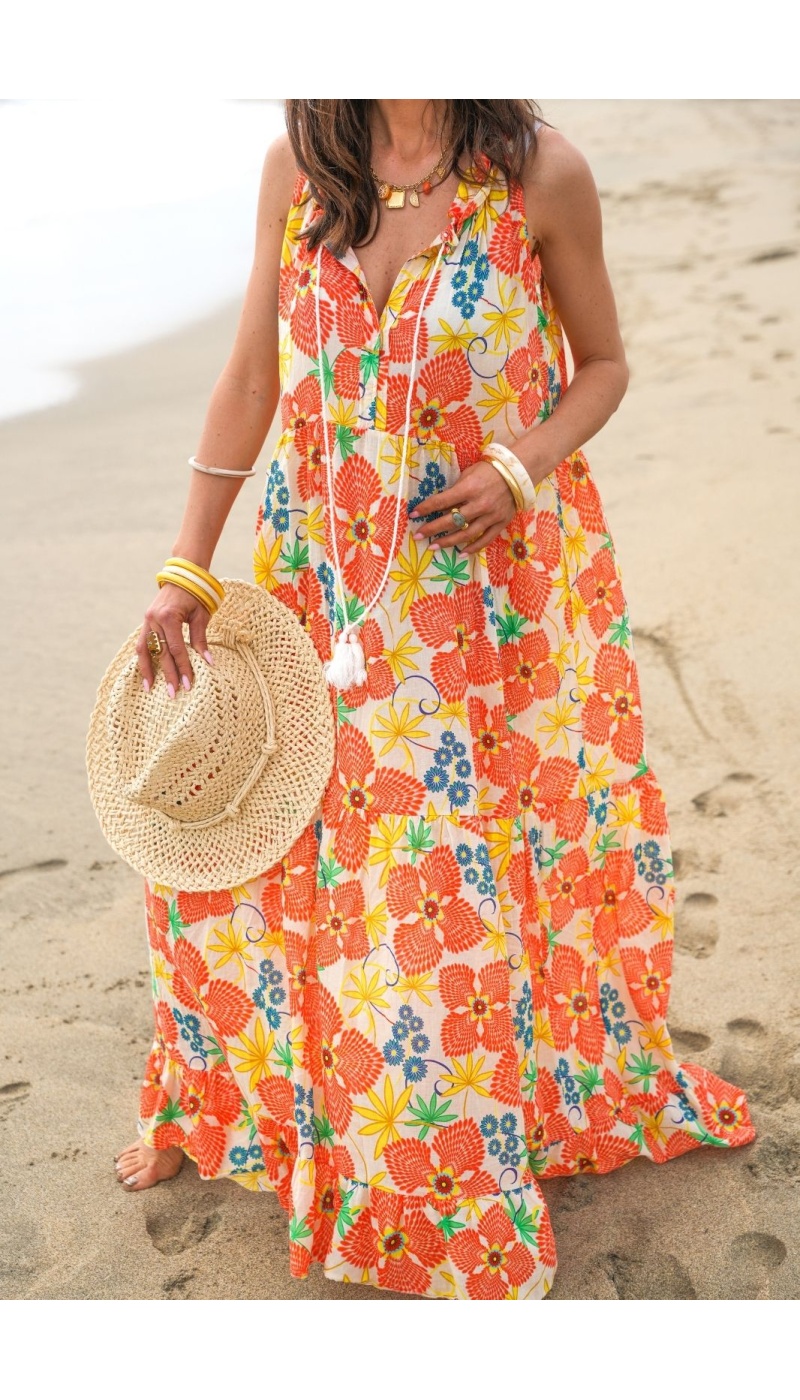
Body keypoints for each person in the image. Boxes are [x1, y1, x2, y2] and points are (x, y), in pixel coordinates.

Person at [113, 99, 755, 1300]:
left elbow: (600, 364)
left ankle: (435, 1167)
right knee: (291, 862)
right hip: (321, 585)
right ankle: (272, 1109)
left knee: (432, 889)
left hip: (479, 609)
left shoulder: (538, 176)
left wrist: (518, 466)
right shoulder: (300, 169)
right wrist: (187, 567)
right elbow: (251, 374)